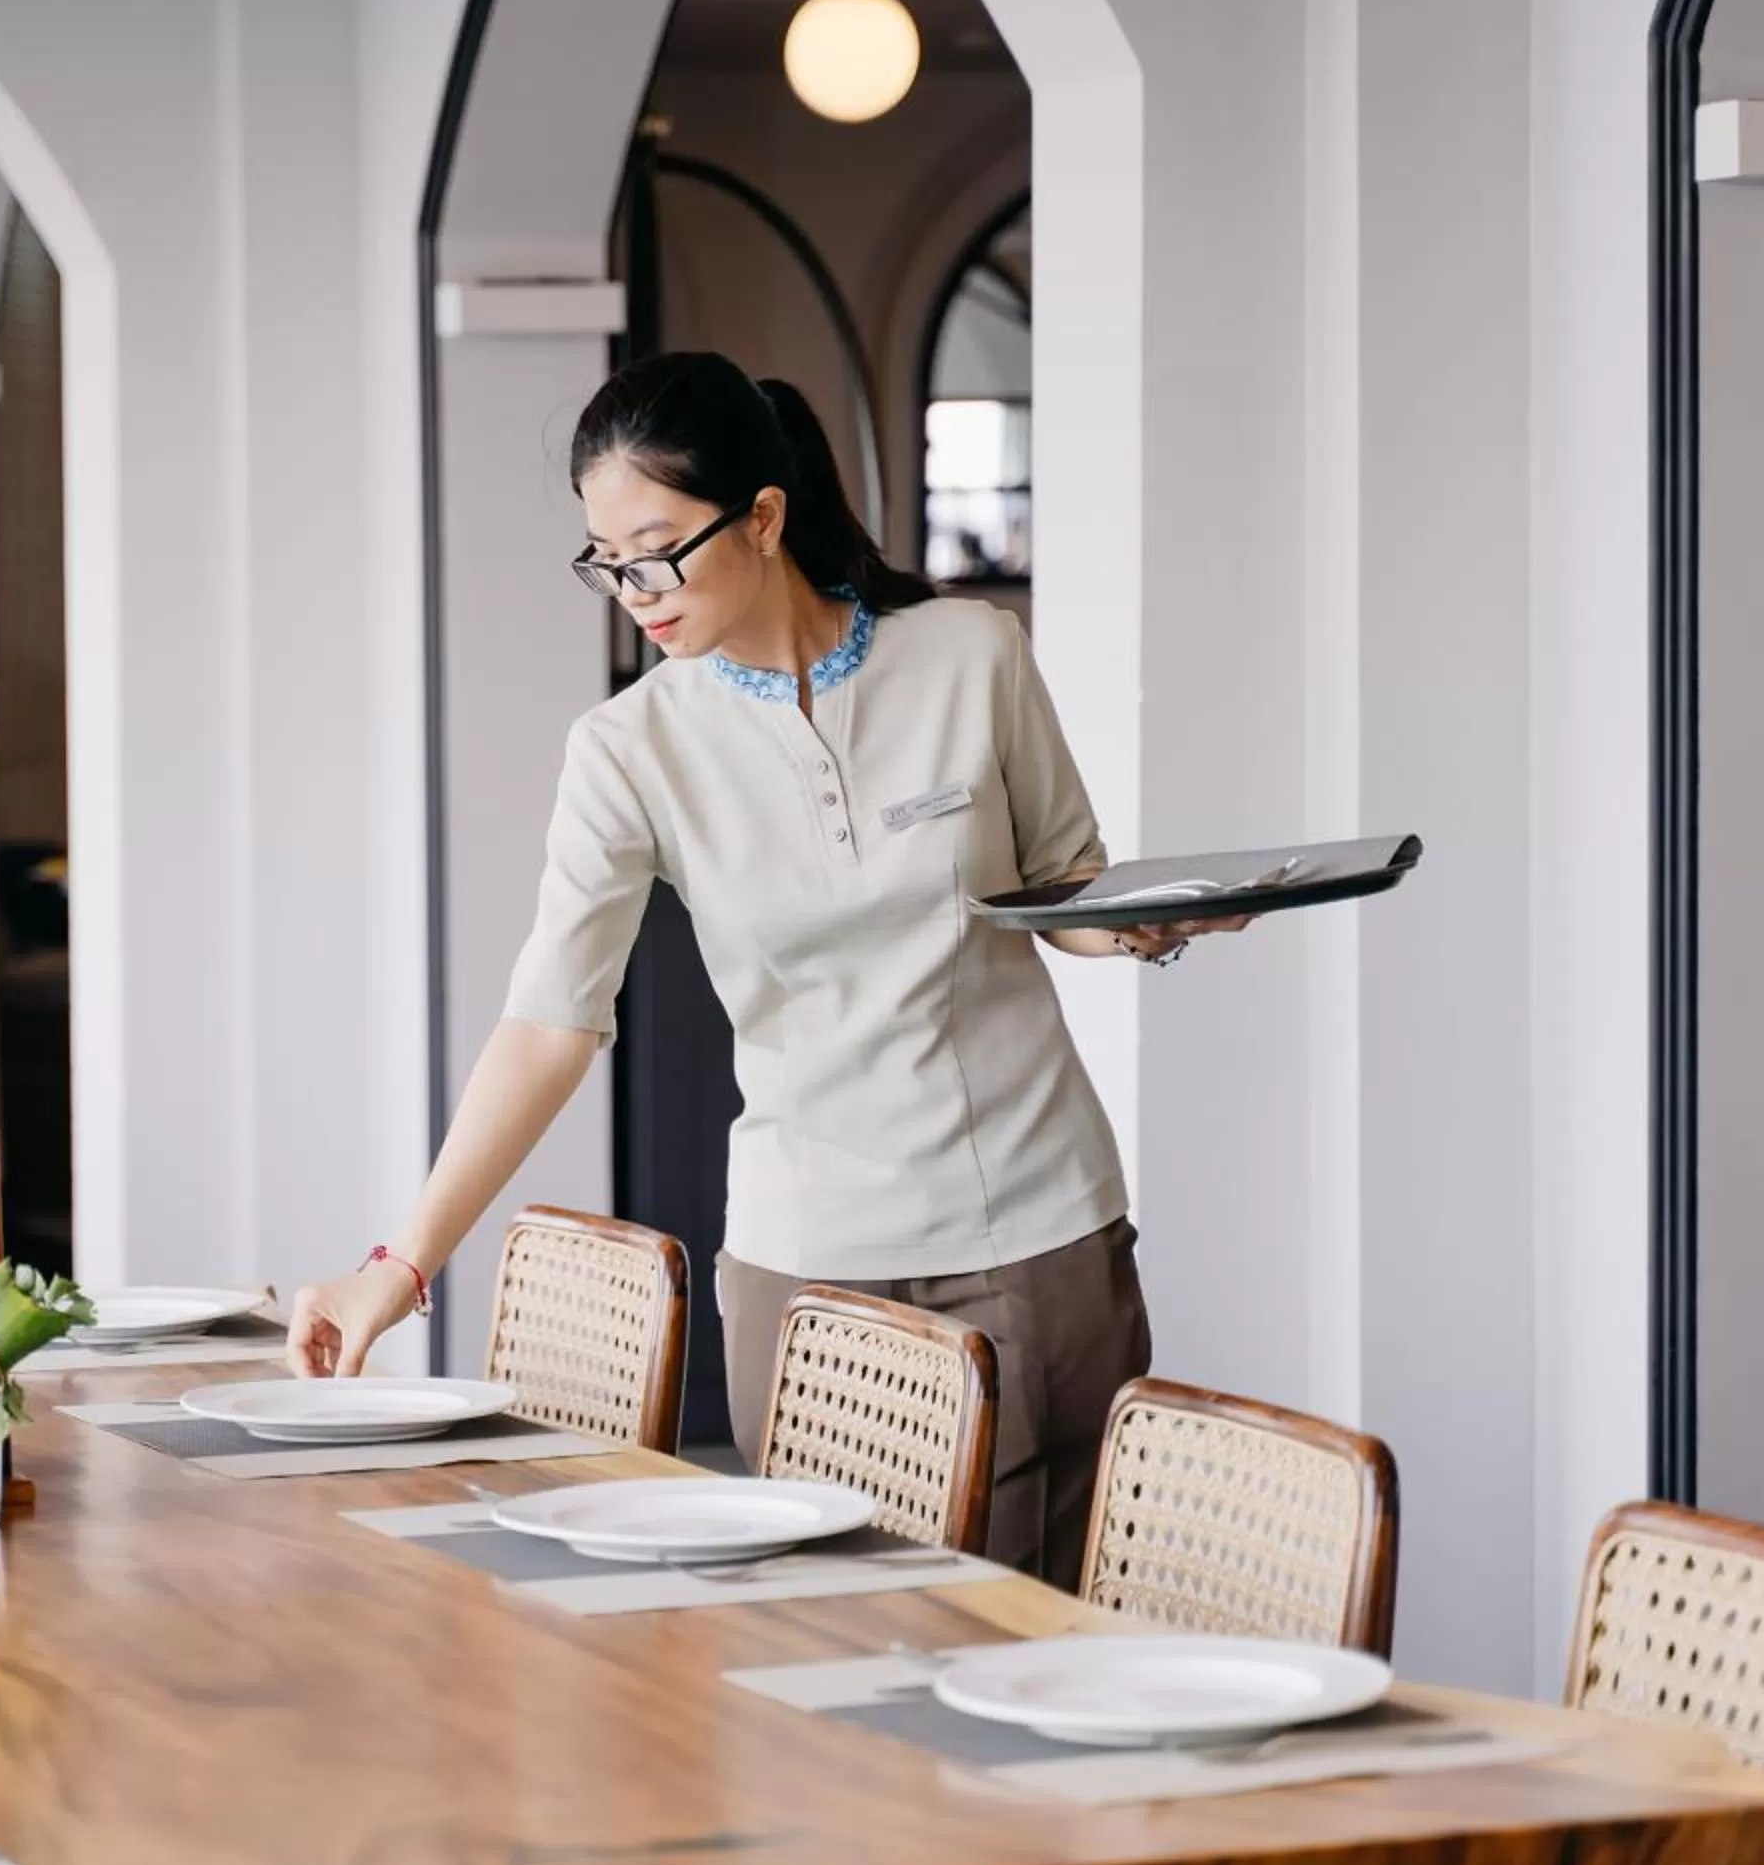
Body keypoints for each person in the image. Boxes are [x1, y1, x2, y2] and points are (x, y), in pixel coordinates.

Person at [286, 351, 1239, 1589]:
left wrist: (1152, 921)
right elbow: (548, 1024)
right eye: (605, 557)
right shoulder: (629, 750)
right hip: (810, 1266)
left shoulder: (970, 656)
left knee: (1033, 1643)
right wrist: (394, 1269)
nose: (633, 588)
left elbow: (1062, 886)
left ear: (765, 518)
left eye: (659, 546)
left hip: (1037, 1233)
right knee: (826, 1642)